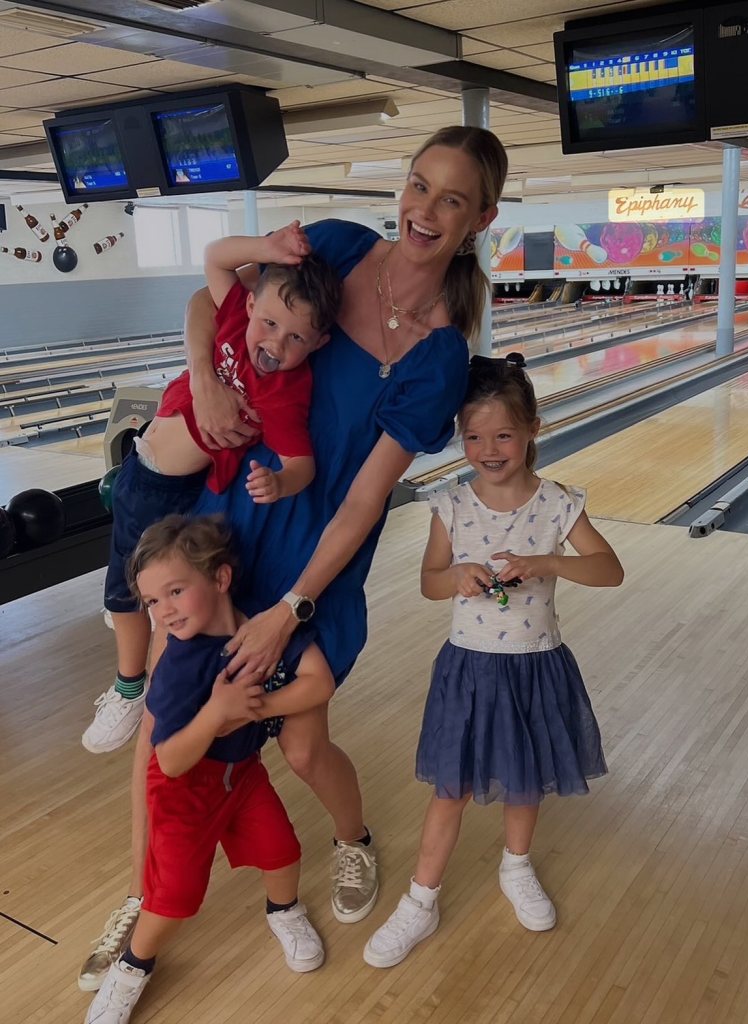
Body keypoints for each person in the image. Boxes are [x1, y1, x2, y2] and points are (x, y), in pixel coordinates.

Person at [78, 125, 509, 989]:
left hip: (313, 561)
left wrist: (292, 609)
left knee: (305, 748)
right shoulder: (339, 248)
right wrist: (203, 379)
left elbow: (361, 499)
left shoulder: (440, 354)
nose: (423, 209)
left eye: (449, 198)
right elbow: (217, 303)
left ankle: (352, 841)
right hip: (222, 531)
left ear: (479, 217)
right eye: (418, 184)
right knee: (164, 728)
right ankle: (141, 895)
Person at [363, 353, 624, 969]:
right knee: (449, 790)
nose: (488, 448)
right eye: (474, 435)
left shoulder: (559, 503)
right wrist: (455, 576)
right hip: (468, 669)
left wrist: (547, 562)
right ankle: (420, 902)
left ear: (534, 428)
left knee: (524, 777)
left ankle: (517, 866)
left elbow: (609, 570)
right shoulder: (451, 505)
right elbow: (429, 582)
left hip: (536, 665)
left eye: (504, 433)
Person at [81, 223, 341, 757]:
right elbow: (216, 258)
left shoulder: (288, 392)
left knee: (130, 586)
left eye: (295, 338)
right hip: (142, 470)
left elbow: (302, 463)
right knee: (130, 584)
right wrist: (266, 250)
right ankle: (131, 622)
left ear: (320, 343)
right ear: (249, 309)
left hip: (169, 491)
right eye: (269, 323)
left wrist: (281, 481)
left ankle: (130, 686)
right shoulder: (229, 318)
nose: (275, 343)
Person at [84, 515, 332, 1023]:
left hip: (241, 775)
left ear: (219, 578)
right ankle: (131, 968)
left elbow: (318, 683)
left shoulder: (258, 632)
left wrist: (252, 707)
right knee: (172, 897)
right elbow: (170, 759)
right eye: (152, 602)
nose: (163, 612)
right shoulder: (178, 666)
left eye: (175, 591)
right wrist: (219, 712)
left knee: (282, 850)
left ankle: (284, 911)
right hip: (182, 793)